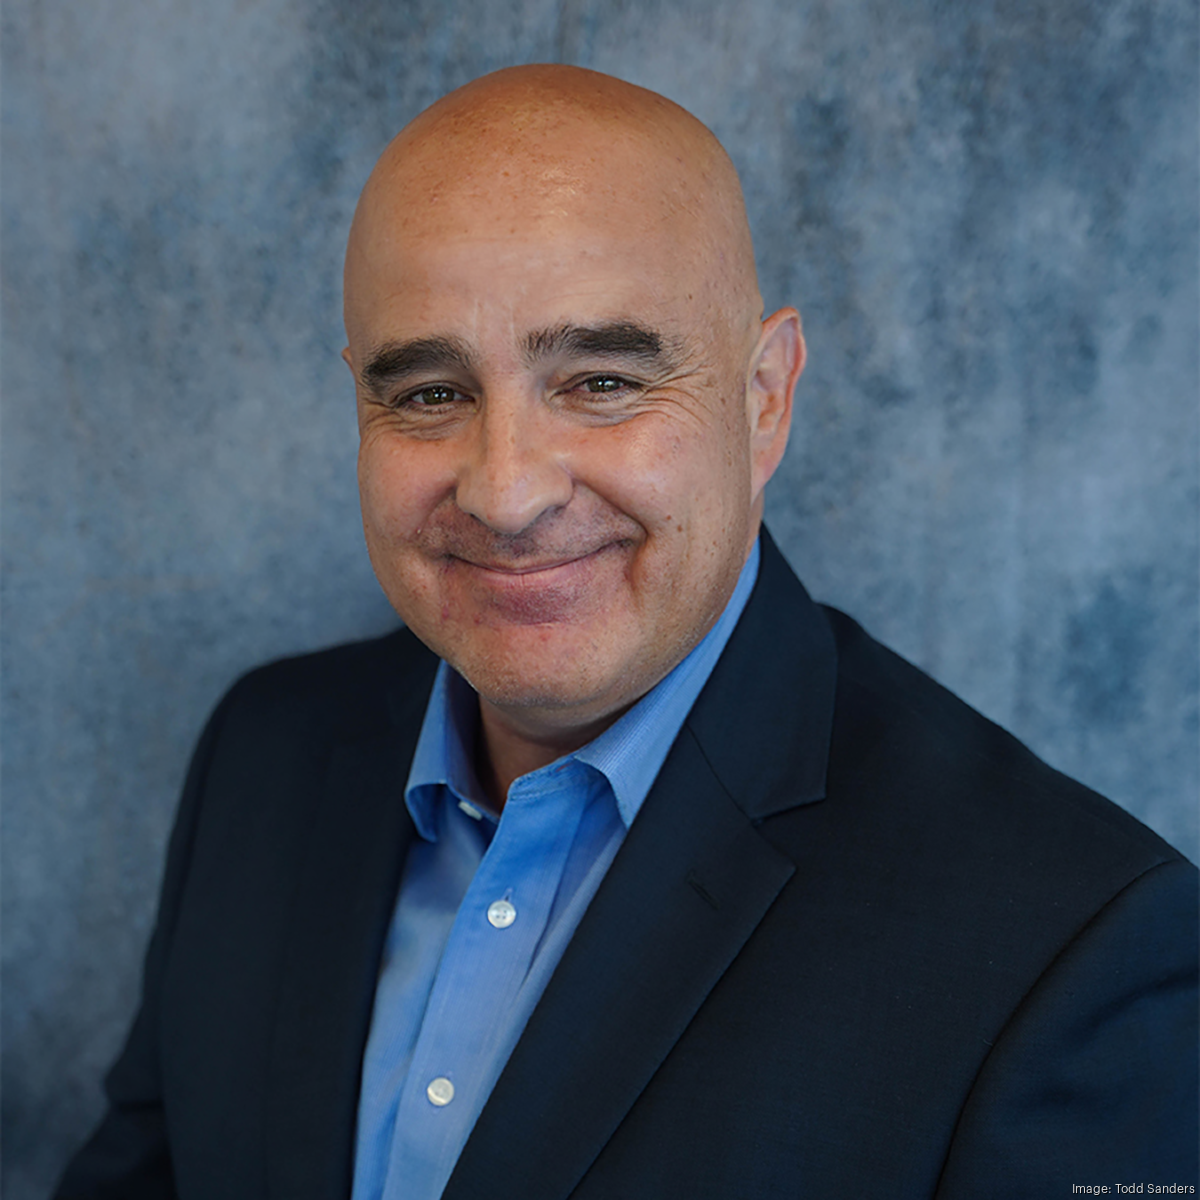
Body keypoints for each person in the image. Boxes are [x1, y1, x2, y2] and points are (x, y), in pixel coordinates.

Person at [57, 64, 1197, 1200]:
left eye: (601, 381)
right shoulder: (266, 754)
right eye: (430, 395)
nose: (506, 494)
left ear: (765, 400)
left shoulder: (1069, 950)